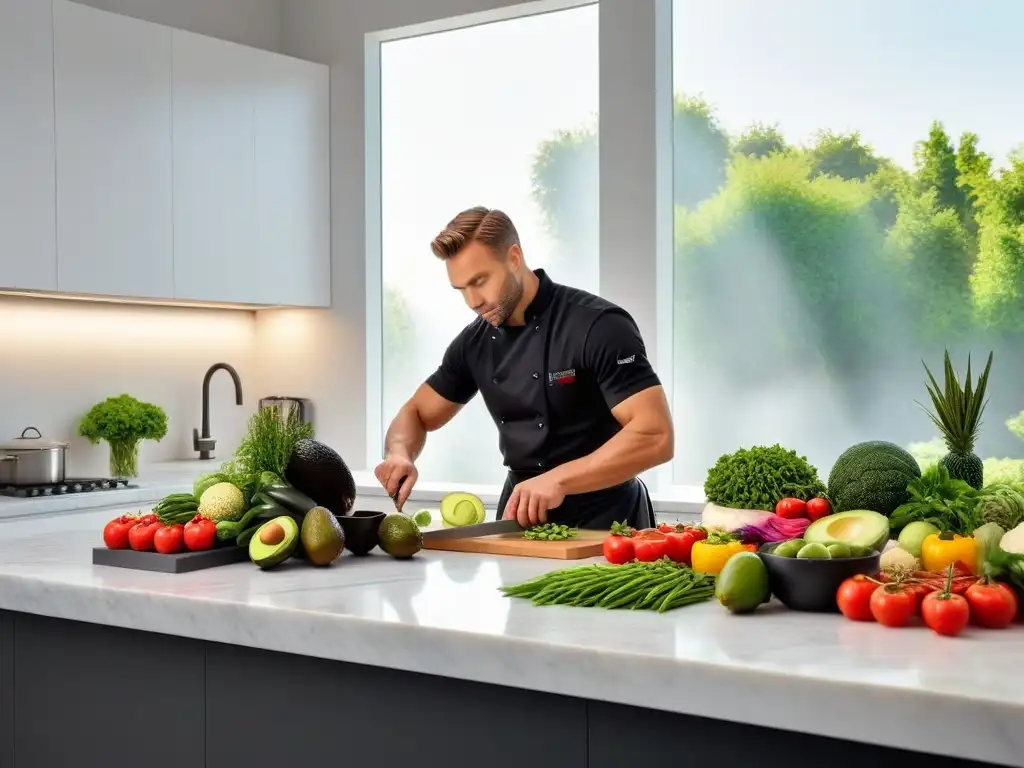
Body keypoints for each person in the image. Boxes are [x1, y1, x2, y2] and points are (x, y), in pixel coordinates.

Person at [374, 206, 674, 530]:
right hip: (520, 523)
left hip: (610, 521)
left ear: (514, 258)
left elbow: (656, 435)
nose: (473, 301)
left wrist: (558, 480)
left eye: (480, 280)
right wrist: (399, 453)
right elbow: (416, 412)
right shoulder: (474, 345)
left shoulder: (597, 325)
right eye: (462, 289)